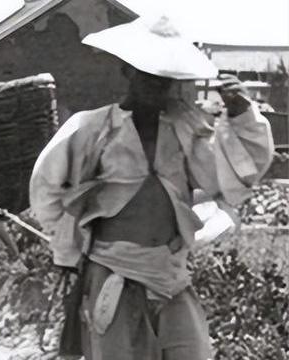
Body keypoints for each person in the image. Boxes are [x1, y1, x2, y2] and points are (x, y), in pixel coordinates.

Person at [29, 16, 274, 360]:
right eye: (147, 75)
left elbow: (234, 176)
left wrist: (243, 115)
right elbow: (46, 191)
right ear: (127, 71)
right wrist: (69, 248)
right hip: (112, 270)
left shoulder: (187, 131)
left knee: (194, 352)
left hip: (170, 272)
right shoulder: (92, 129)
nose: (156, 85)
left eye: (163, 79)